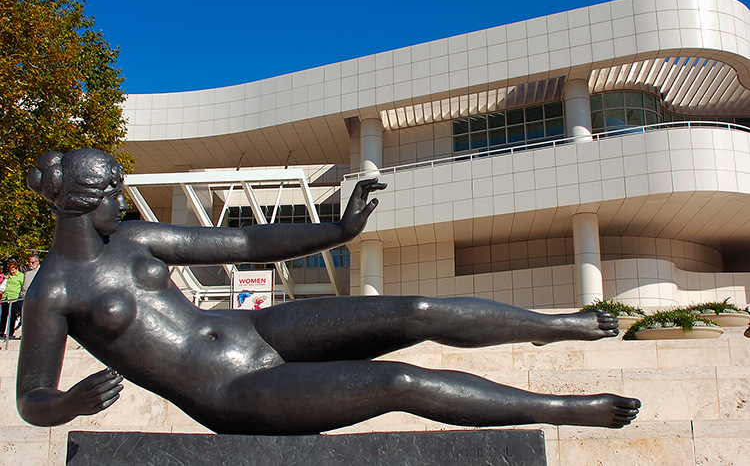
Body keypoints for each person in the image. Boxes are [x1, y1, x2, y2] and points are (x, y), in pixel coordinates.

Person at [17, 148, 640, 435]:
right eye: (111, 192)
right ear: (78, 200)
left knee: (415, 310)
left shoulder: (134, 238)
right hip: (229, 391)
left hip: (254, 330)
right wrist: (69, 402)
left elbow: (243, 247)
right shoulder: (53, 292)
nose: (121, 201)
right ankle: (564, 410)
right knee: (400, 383)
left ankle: (556, 323)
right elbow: (30, 399)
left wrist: (338, 229)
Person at [11, 255, 40, 337]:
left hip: (34, 297)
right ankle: (25, 334)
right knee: (23, 317)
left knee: (33, 317)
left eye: (32, 262)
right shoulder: (27, 271)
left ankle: (32, 334)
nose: (30, 264)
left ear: (37, 262)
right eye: (29, 262)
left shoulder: (40, 271)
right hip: (23, 297)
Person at [1, 260, 24, 339]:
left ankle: (11, 332)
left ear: (16, 269)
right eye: (10, 270)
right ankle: (1, 331)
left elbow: (22, 285)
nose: (12, 271)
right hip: (6, 297)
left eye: (13, 269)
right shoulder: (7, 275)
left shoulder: (20, 276)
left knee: (13, 315)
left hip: (14, 298)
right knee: (4, 315)